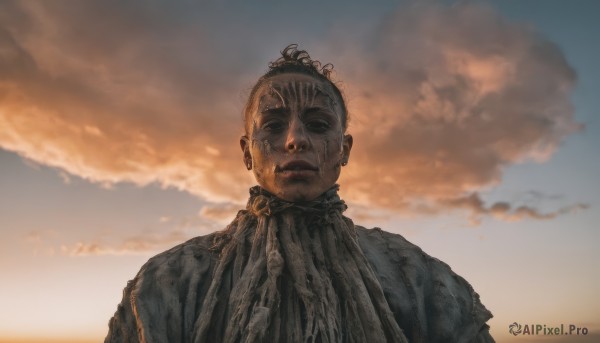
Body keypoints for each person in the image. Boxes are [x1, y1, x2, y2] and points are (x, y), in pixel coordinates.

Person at [105, 44, 494, 343]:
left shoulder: (419, 277)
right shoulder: (167, 281)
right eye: (273, 125)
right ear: (246, 151)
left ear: (344, 149)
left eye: (318, 124)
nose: (294, 140)